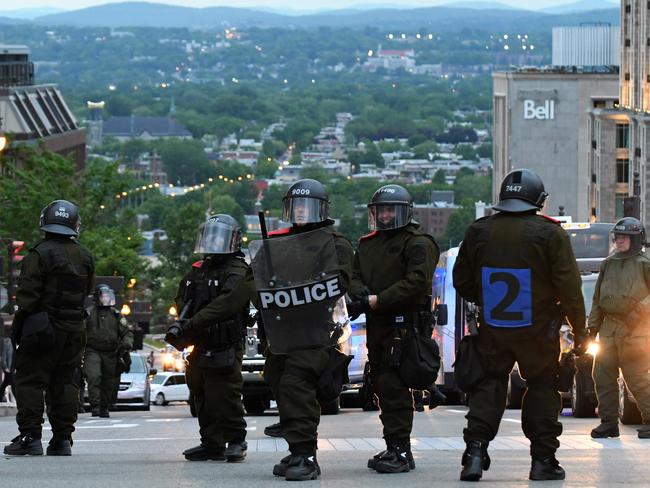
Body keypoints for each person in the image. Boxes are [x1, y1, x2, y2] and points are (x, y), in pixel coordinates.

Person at [453, 169, 586, 481]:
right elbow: (570, 290)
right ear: (537, 199)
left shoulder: (478, 230)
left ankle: (474, 453)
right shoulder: (551, 233)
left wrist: (485, 299)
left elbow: (461, 280)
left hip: (494, 327)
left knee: (489, 383)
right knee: (542, 386)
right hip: (539, 330)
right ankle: (543, 460)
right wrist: (580, 331)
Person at [252, 179, 354, 481]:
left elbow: (340, 281)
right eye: (296, 205)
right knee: (279, 382)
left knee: (297, 387)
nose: (301, 211)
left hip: (313, 333)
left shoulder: (335, 244)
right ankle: (296, 447)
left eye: (307, 206)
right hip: (281, 334)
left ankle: (306, 455)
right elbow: (254, 281)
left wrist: (294, 291)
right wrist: (266, 291)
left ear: (322, 210)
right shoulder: (275, 244)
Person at [348, 184, 439, 474]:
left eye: (391, 210)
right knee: (382, 384)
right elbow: (353, 274)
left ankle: (401, 450)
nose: (386, 215)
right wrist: (361, 294)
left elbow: (417, 282)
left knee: (396, 386)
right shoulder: (367, 244)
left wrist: (379, 300)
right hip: (377, 325)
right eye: (381, 210)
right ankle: (393, 445)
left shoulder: (418, 243)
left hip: (405, 325)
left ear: (405, 212)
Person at [4, 200, 95, 457]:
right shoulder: (86, 255)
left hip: (44, 327)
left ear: (46, 222)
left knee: (31, 380)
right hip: (75, 328)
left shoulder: (39, 254)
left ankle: (30, 437)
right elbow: (87, 291)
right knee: (66, 382)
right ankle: (62, 439)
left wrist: (21, 327)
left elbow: (27, 297)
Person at [166, 214, 251, 463]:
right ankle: (211, 443)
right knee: (200, 392)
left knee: (225, 393)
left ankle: (236, 439)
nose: (214, 241)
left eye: (219, 236)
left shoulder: (239, 271)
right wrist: (183, 324)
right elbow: (183, 297)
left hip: (225, 341)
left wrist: (192, 323)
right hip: (200, 343)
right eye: (210, 236)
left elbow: (226, 305)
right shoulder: (199, 270)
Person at [588, 217, 650, 439]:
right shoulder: (609, 262)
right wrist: (592, 328)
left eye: (625, 237)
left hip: (636, 329)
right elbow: (597, 299)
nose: (620, 241)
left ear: (636, 239)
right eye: (618, 237)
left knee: (638, 377)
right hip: (609, 328)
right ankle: (608, 423)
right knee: (602, 375)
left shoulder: (646, 262)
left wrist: (641, 310)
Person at [83, 284, 133, 418]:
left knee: (108, 380)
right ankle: (95, 406)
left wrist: (126, 345)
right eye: (103, 296)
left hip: (111, 352)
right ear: (97, 298)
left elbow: (127, 332)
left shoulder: (116, 315)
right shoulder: (88, 313)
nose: (105, 299)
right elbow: (79, 331)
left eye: (107, 296)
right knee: (94, 376)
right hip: (92, 350)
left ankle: (105, 406)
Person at [0, 336, 15, 403]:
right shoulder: (8, 342)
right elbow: (4, 356)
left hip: (13, 369)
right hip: (9, 369)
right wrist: (5, 367)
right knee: (13, 383)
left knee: (6, 383)